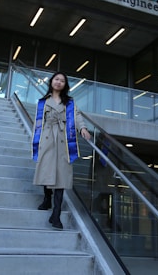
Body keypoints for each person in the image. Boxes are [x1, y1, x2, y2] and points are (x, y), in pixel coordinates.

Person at [31, 71, 91, 229]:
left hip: (64, 141)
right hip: (47, 139)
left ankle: (56, 214)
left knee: (62, 175)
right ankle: (47, 199)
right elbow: (37, 123)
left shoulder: (70, 102)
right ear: (51, 82)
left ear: (65, 85)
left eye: (62, 81)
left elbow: (77, 116)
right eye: (56, 79)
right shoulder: (42, 102)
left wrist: (82, 129)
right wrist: (36, 141)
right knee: (46, 171)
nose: (58, 82)